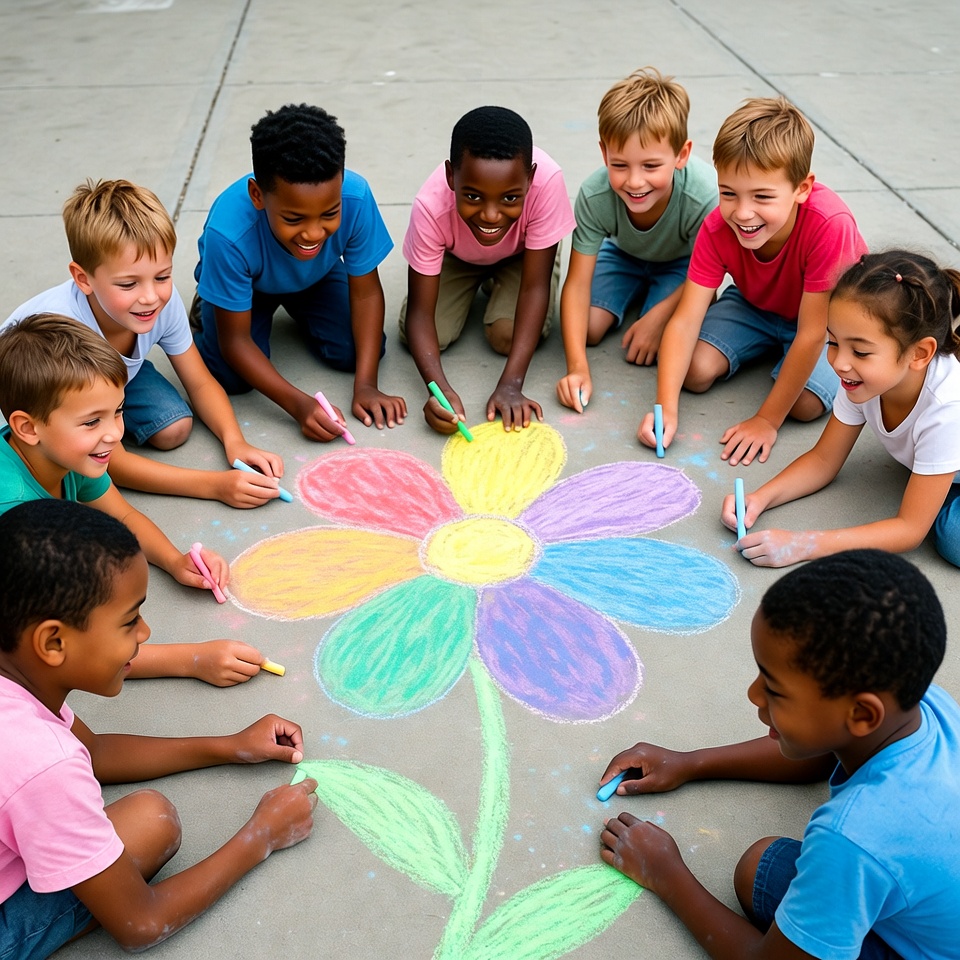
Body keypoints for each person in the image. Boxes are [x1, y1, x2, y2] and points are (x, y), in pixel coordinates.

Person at [599, 549, 960, 960]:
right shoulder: (916, 700)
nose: (753, 695)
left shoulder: (853, 836)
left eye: (774, 689)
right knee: (767, 868)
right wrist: (691, 762)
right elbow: (826, 752)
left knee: (760, 871)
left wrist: (665, 873)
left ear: (861, 713)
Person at [0, 499, 318, 958]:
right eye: (130, 621)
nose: (145, 633)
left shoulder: (16, 675)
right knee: (153, 825)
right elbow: (142, 922)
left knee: (145, 818)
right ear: (52, 642)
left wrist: (228, 746)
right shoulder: (42, 760)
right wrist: (262, 835)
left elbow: (95, 754)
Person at [0, 313, 259, 684]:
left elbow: (122, 517)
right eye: (92, 421)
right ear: (28, 427)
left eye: (118, 411)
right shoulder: (14, 514)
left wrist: (174, 560)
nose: (114, 434)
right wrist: (194, 659)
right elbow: (65, 650)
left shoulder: (64, 453)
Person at [4, 179, 285, 509]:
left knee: (175, 429)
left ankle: (119, 383)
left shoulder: (158, 305)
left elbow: (199, 381)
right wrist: (214, 485)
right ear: (83, 279)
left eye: (163, 277)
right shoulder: (66, 334)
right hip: (45, 396)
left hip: (101, 380)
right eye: (128, 284)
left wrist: (235, 442)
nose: (151, 297)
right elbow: (112, 465)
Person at [642, 96, 867, 466]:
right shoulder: (717, 227)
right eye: (728, 193)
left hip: (831, 324)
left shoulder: (830, 225)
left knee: (805, 404)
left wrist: (766, 420)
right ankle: (771, 350)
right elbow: (685, 320)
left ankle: (780, 361)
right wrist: (665, 407)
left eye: (762, 196)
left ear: (802, 188)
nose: (742, 213)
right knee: (694, 373)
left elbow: (812, 333)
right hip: (754, 306)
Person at [724, 250, 960, 568]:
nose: (839, 362)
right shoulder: (864, 380)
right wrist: (759, 498)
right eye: (833, 342)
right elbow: (824, 460)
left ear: (920, 353)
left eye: (861, 352)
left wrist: (804, 544)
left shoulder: (946, 409)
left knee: (952, 537)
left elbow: (909, 530)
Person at [192, 102, 405, 441]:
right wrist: (300, 406)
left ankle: (299, 304)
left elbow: (365, 291)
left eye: (329, 214)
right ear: (258, 195)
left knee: (359, 350)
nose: (313, 233)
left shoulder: (356, 196)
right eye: (294, 219)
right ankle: (209, 301)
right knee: (232, 377)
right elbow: (236, 342)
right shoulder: (228, 234)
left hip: (314, 277)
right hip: (250, 286)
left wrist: (366, 385)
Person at [400, 105, 576, 433]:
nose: (491, 215)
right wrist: (438, 390)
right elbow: (420, 314)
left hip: (523, 253)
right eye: (473, 196)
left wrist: (511, 384)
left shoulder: (547, 182)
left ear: (531, 178)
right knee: (426, 339)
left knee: (507, 336)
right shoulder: (430, 205)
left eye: (510, 198)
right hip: (457, 255)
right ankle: (483, 281)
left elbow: (535, 287)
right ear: (451, 176)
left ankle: (496, 283)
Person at [556, 67, 717, 412]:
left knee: (660, 343)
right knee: (587, 330)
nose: (634, 181)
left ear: (681, 155)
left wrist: (658, 318)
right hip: (624, 254)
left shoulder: (703, 196)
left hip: (683, 266)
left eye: (650, 166)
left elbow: (709, 280)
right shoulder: (595, 195)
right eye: (620, 165)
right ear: (604, 154)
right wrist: (577, 368)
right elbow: (576, 284)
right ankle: (636, 299)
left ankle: (651, 304)